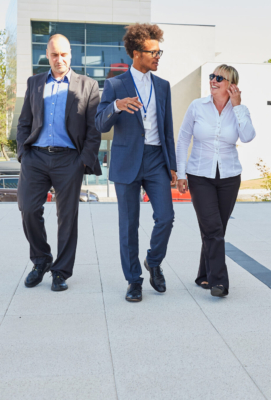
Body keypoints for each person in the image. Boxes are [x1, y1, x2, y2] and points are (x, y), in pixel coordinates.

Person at [95, 23, 176, 303]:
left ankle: (153, 262)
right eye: (152, 52)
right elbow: (99, 121)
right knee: (128, 225)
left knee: (166, 217)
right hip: (127, 159)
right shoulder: (115, 84)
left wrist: (173, 166)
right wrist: (116, 106)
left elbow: (167, 129)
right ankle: (133, 281)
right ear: (136, 53)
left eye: (159, 51)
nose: (157, 57)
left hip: (156, 159)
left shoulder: (163, 86)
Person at [15, 34, 102, 292]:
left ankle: (61, 271)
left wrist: (83, 161)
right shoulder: (34, 83)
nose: (59, 59)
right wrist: (23, 153)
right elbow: (24, 123)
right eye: (54, 54)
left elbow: (93, 129)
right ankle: (41, 261)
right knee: (28, 209)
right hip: (36, 158)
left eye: (63, 54)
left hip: (69, 159)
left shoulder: (88, 85)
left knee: (67, 217)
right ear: (48, 56)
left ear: (71, 55)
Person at [176, 65, 255, 297]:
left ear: (232, 85)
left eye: (219, 78)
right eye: (212, 76)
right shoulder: (197, 106)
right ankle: (219, 282)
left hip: (229, 177)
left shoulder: (239, 110)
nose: (213, 80)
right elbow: (182, 140)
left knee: (216, 229)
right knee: (212, 228)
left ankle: (203, 274)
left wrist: (238, 106)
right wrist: (181, 174)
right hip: (200, 175)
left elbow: (248, 136)